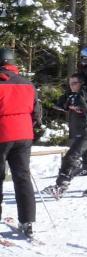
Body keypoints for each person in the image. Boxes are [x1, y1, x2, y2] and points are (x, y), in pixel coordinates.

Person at [0, 48, 41, 238]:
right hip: (24, 134)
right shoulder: (28, 84)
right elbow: (37, 112)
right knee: (22, 177)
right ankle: (27, 221)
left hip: (2, 133)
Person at [44, 74, 87, 198]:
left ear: (81, 83)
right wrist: (65, 103)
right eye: (70, 83)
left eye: (74, 83)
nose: (71, 86)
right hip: (78, 131)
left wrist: (83, 105)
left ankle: (60, 186)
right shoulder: (73, 96)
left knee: (71, 157)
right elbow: (61, 106)